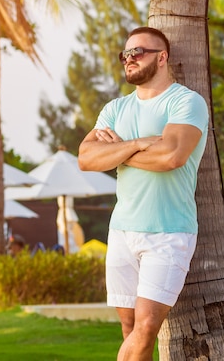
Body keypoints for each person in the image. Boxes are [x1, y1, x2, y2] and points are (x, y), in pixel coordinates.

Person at [78, 26, 209, 361]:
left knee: (147, 326)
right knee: (130, 328)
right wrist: (137, 144)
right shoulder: (115, 109)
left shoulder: (186, 102)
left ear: (162, 57)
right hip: (122, 230)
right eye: (125, 54)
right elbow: (86, 158)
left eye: (138, 52)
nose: (129, 58)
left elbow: (171, 157)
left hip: (169, 232)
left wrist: (117, 151)